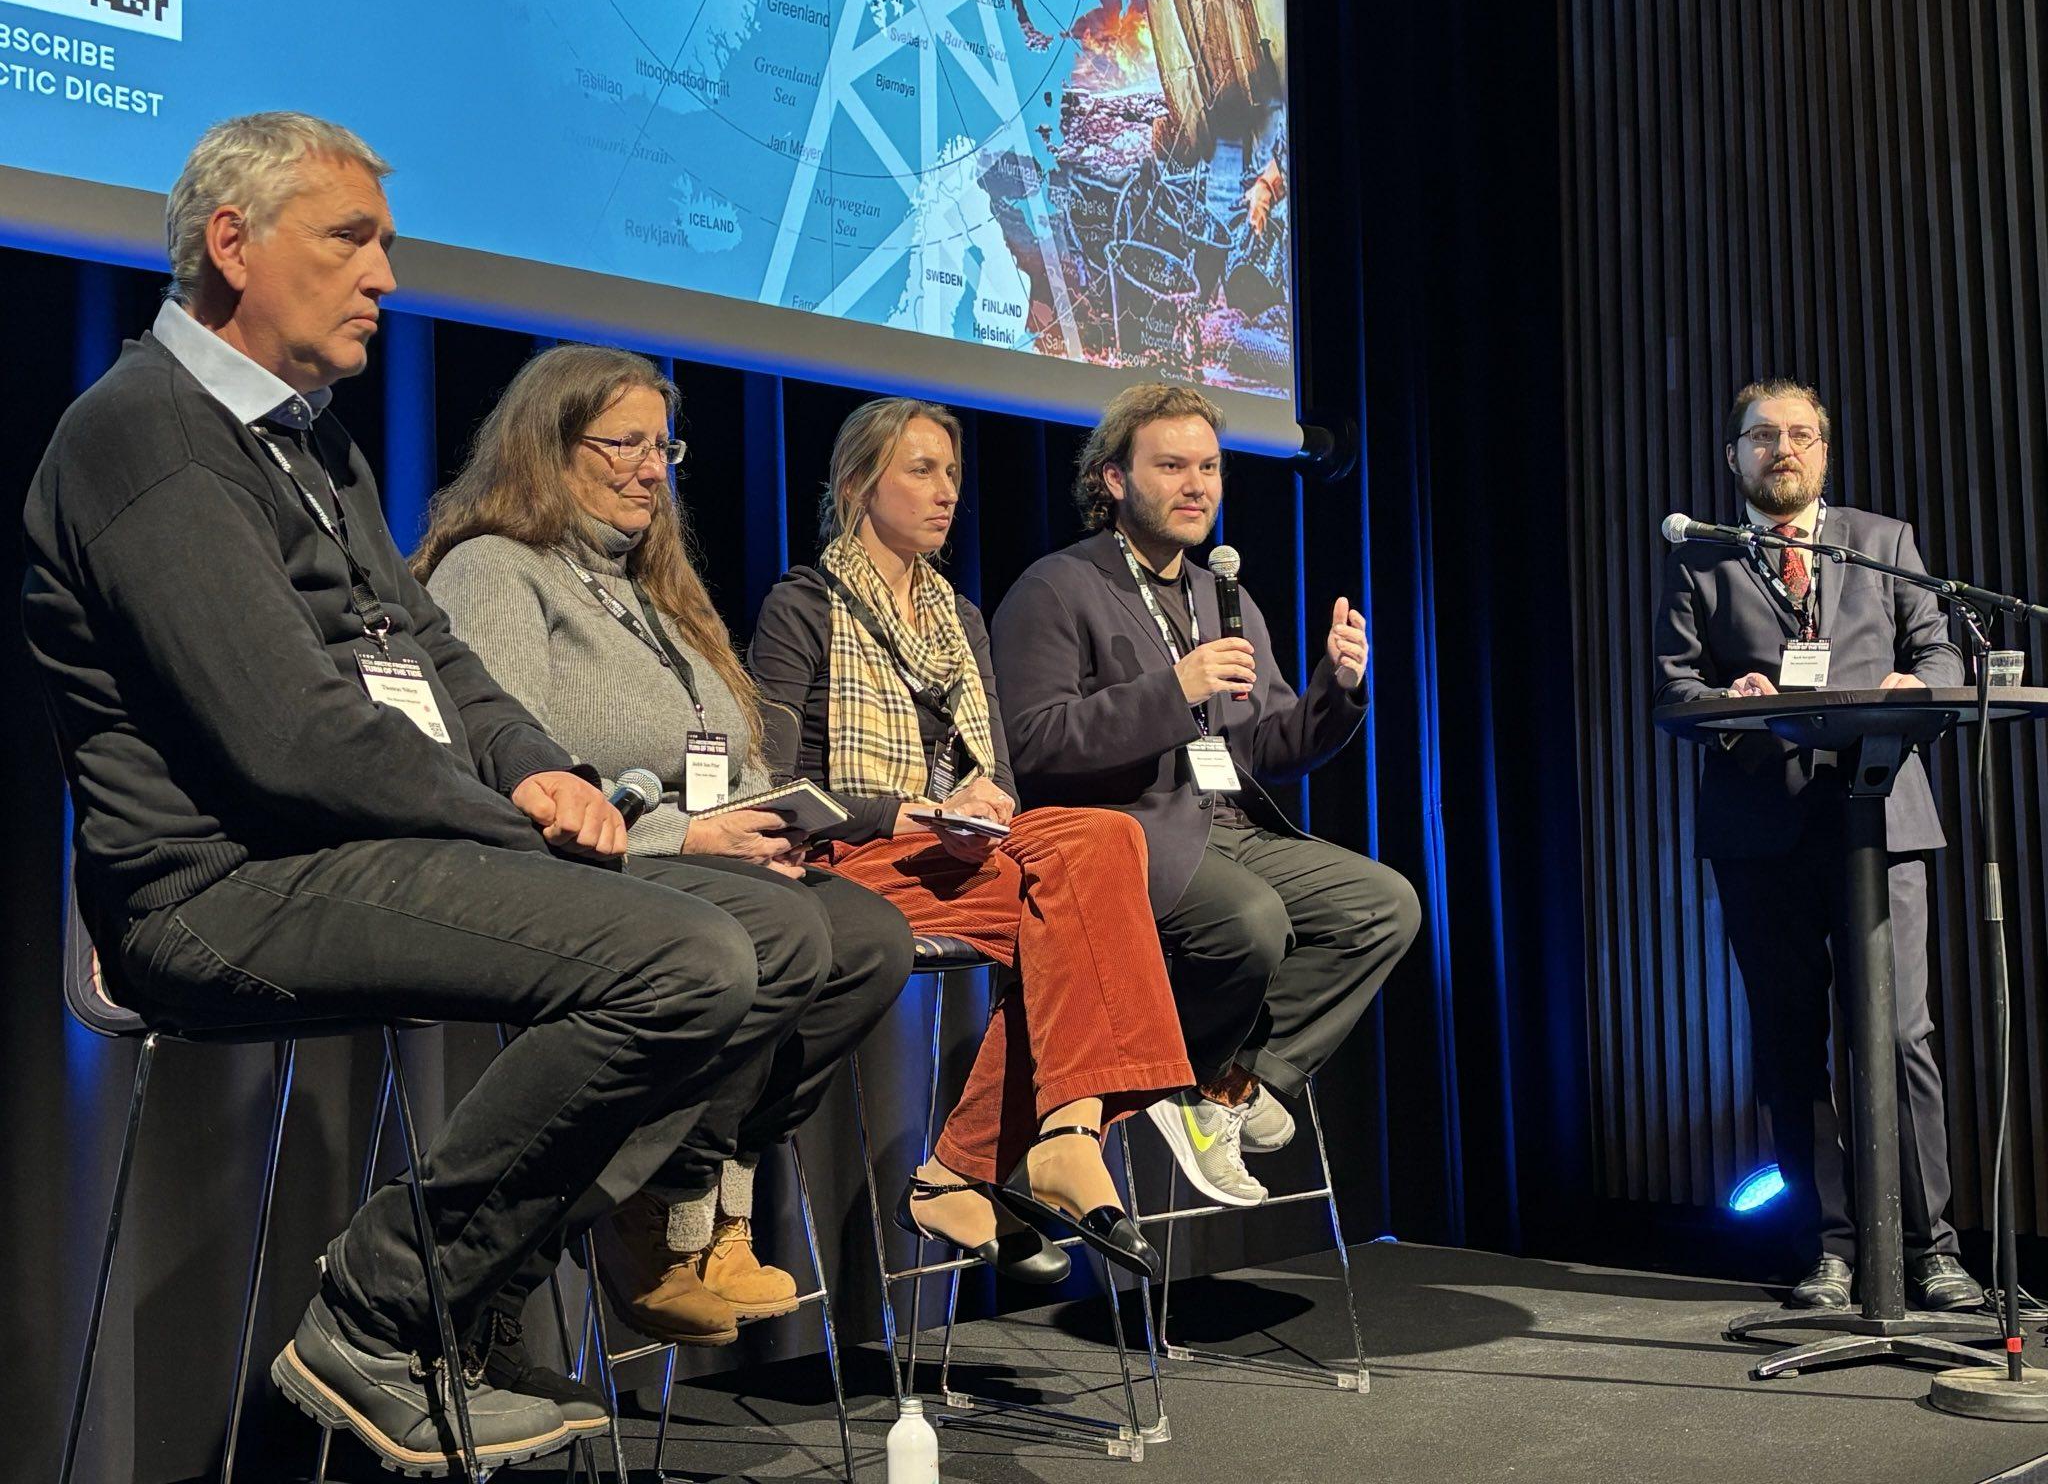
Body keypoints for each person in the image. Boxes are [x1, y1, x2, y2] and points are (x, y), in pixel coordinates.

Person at [22, 113, 818, 1475]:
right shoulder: (144, 435)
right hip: (219, 893)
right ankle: (388, 1314)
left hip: (351, 852)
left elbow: (433, 658)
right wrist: (522, 826)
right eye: (351, 240)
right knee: (682, 959)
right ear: (233, 246)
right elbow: (290, 739)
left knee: (778, 934)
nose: (388, 275)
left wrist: (544, 773)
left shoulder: (311, 445)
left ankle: (466, 1309)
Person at [415, 343, 912, 1347]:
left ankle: (712, 1196)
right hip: (578, 866)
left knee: (867, 939)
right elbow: (513, 772)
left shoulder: (651, 591)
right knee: (782, 933)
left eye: (663, 446)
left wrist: (776, 819)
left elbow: (726, 755)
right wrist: (692, 833)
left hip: (696, 857)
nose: (654, 469)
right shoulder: (495, 572)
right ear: (548, 450)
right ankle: (655, 1210)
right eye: (625, 446)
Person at [749, 397, 1198, 1280]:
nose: (946, 491)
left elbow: (995, 763)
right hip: (851, 858)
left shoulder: (959, 616)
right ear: (856, 486)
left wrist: (984, 797)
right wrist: (900, 813)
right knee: (1075, 917)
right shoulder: (803, 606)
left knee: (1103, 844)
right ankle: (984, 1160)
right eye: (920, 470)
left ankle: (1048, 1138)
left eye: (951, 472)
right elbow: (774, 785)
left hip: (960, 853)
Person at [989, 383, 1420, 1207]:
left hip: (1227, 826)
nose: (1199, 486)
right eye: (1174, 466)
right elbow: (1034, 742)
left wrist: (1338, 691)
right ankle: (1174, 1080)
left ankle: (1223, 1083)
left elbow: (1268, 744)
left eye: (1212, 468)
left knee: (1384, 906)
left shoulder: (1223, 596)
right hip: (1126, 831)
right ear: (1114, 480)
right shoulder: (1056, 588)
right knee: (1250, 922)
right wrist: (1172, 689)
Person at [1654, 377, 1982, 1313]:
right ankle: (1828, 1250)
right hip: (1762, 831)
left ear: (1824, 454)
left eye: (1801, 435)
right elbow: (1677, 689)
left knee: (1900, 1036)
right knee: (1790, 1048)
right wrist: (1731, 704)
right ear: (1736, 459)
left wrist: (1913, 687)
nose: (1783, 450)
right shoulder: (1702, 563)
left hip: (1883, 820)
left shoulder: (1885, 545)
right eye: (1764, 437)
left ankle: (1934, 1252)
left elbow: (1943, 655)